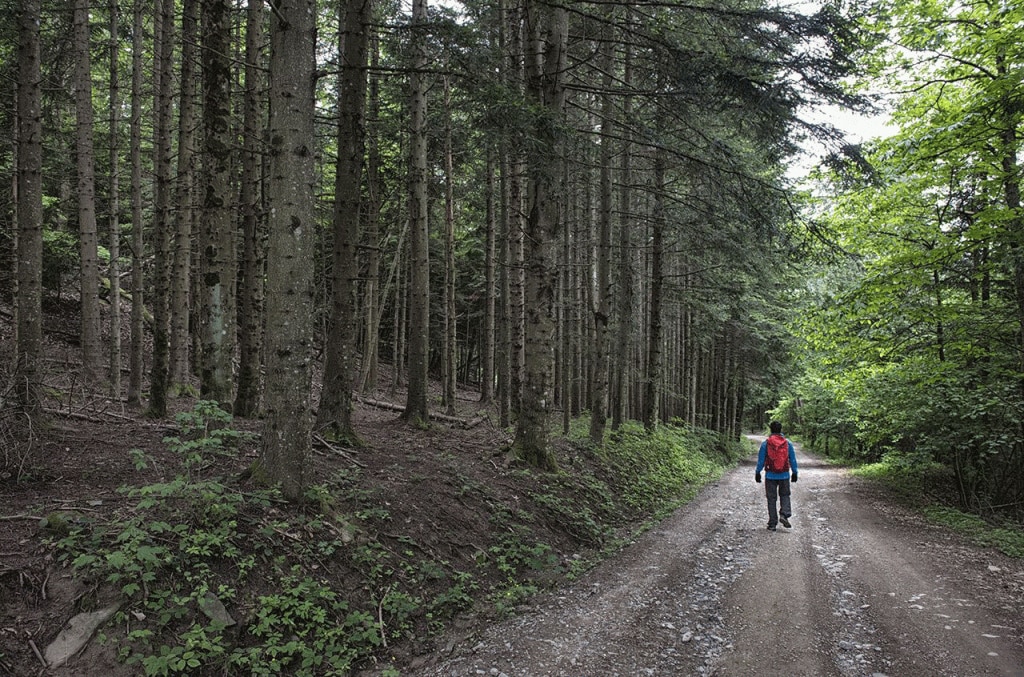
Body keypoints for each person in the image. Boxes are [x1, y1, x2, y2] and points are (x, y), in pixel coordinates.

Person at [755, 421, 798, 531]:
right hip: (784, 475)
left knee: (771, 498)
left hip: (770, 475)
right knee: (785, 495)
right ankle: (784, 514)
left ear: (771, 430)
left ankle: (772, 524)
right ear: (781, 429)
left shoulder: (766, 443)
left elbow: (761, 460)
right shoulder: (787, 443)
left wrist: (757, 472)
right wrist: (795, 472)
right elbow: (792, 459)